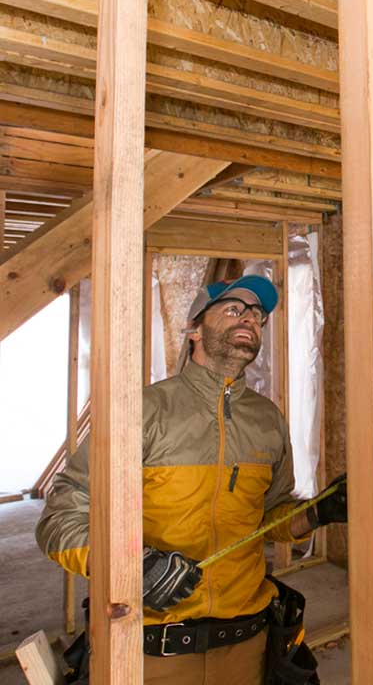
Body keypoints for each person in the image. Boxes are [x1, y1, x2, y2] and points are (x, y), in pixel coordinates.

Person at [37, 275, 348, 684]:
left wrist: (318, 511)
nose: (250, 320)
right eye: (235, 309)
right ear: (194, 330)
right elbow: (60, 518)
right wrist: (130, 569)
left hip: (247, 646)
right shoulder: (143, 410)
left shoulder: (267, 419)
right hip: (150, 649)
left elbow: (270, 518)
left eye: (258, 316)